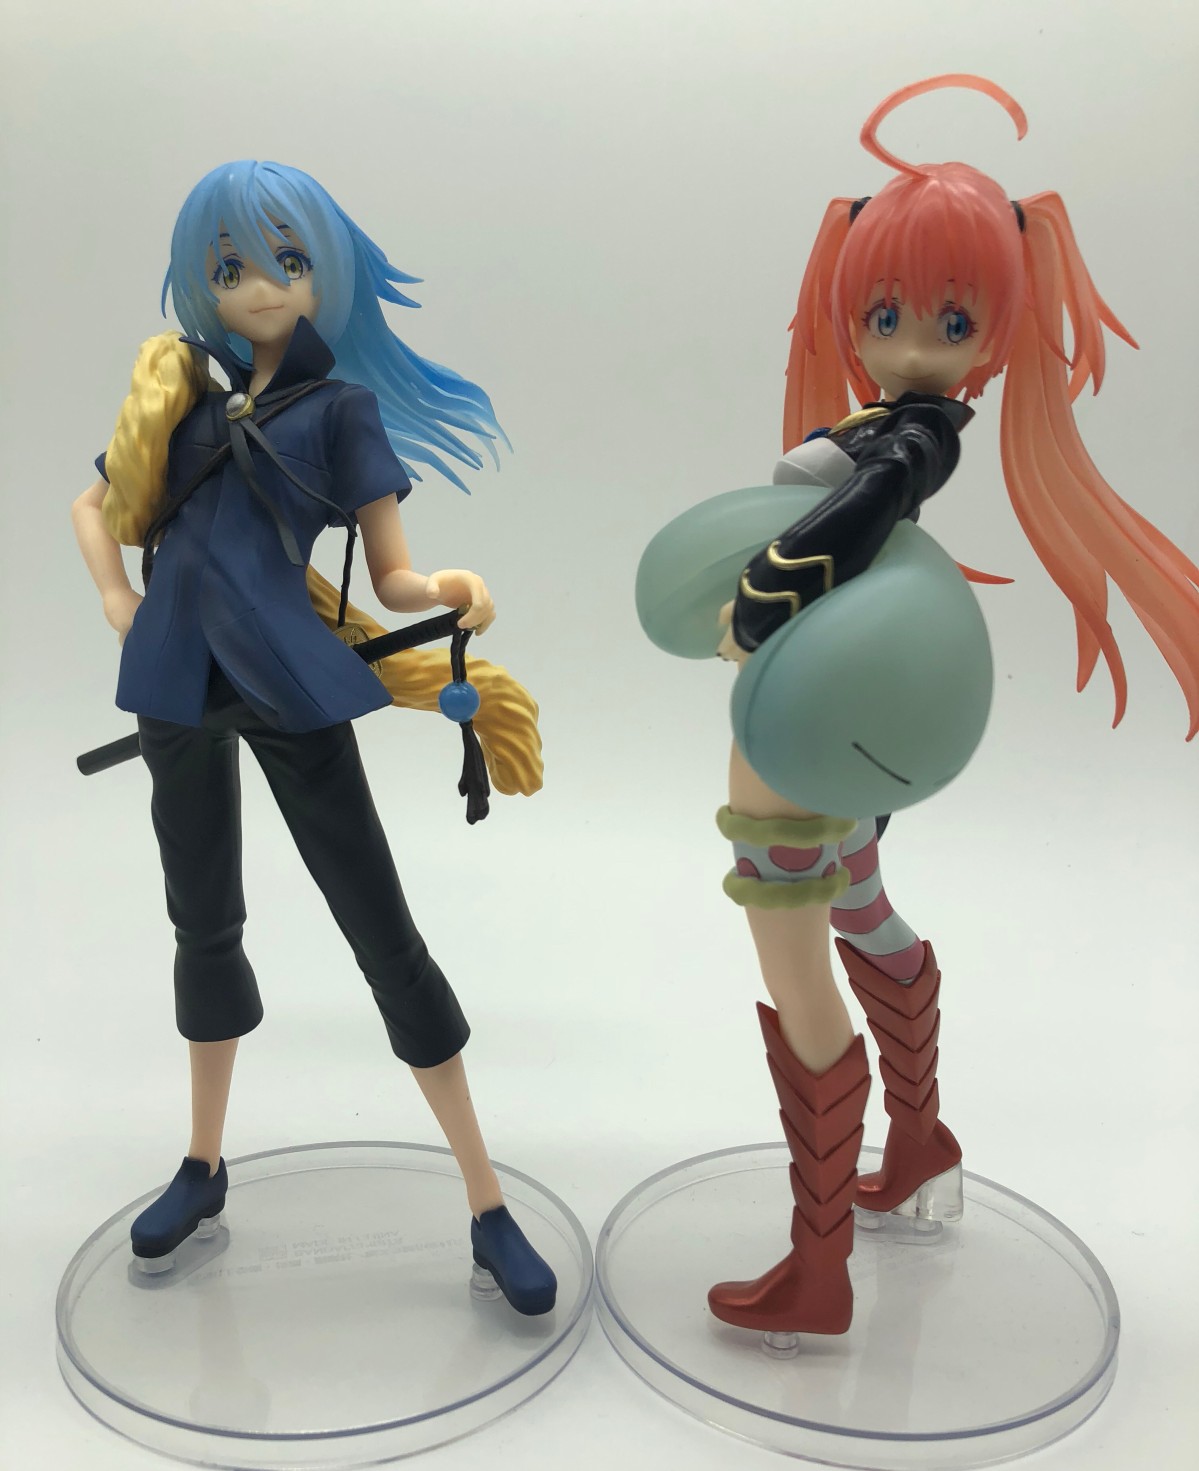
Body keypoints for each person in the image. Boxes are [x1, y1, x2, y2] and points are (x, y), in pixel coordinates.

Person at [639, 75, 1198, 1337]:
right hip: (843, 732)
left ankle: (818, 1265)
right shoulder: (890, 416)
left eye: (948, 320)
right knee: (866, 912)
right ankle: (923, 1140)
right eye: (883, 314)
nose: (908, 347)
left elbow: (852, 515)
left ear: (990, 329)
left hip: (798, 751)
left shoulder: (910, 439)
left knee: (798, 982)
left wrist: (760, 601)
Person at [72, 160, 555, 1316]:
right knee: (202, 927)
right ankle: (202, 1164)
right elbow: (94, 505)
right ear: (203, 280)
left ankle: (486, 1203)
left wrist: (448, 588)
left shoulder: (340, 412)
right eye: (230, 266)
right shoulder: (183, 400)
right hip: (173, 684)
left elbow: (391, 576)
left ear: (321, 274)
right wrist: (116, 598)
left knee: (381, 930)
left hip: (289, 682)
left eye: (285, 261)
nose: (258, 285)